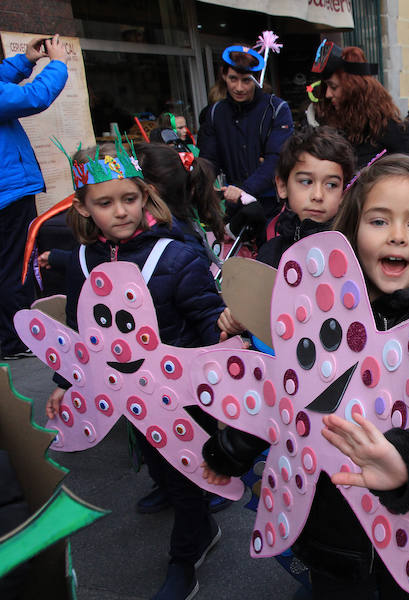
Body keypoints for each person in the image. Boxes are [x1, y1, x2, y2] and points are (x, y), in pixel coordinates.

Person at [201, 154, 409, 599]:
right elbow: (286, 398)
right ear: (353, 232)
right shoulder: (320, 315)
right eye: (379, 221)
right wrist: (227, 452)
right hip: (330, 524)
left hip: (408, 521)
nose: (397, 235)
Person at [43, 140, 242, 599]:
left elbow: (209, 321)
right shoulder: (81, 261)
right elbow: (81, 329)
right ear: (83, 207)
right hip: (128, 394)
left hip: (181, 394)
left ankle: (186, 555)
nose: (120, 212)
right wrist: (65, 381)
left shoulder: (175, 256)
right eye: (105, 203)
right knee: (158, 462)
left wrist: (227, 345)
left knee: (188, 470)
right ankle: (180, 499)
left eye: (129, 199)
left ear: (145, 194)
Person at [0, 35, 68, 360]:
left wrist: (24, 61)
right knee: (16, 266)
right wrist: (57, 63)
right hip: (7, 194)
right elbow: (34, 97)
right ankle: (17, 338)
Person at [198, 46, 293, 217]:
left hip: (272, 205)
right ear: (224, 75)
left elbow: (277, 159)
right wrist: (201, 184)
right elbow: (209, 158)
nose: (239, 87)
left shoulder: (277, 109)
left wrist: (245, 189)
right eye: (233, 79)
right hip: (235, 203)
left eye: (246, 80)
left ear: (257, 80)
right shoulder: (215, 112)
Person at [255, 126, 355, 267]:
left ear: (343, 194)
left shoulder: (353, 253)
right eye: (306, 182)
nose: (318, 196)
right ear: (283, 186)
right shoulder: (271, 254)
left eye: (331, 185)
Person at [312, 42, 409, 169]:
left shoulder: (387, 127)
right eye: (327, 87)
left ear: (353, 89)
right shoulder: (332, 123)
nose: (328, 94)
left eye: (333, 87)